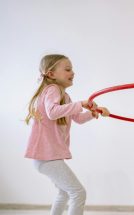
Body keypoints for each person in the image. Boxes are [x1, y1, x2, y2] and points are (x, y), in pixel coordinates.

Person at [25, 54, 110, 215]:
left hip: (48, 157)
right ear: (51, 74)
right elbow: (52, 112)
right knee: (78, 193)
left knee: (63, 193)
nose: (73, 72)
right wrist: (80, 104)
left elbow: (77, 118)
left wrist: (94, 112)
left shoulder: (64, 96)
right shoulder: (52, 89)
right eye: (68, 69)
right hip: (46, 157)